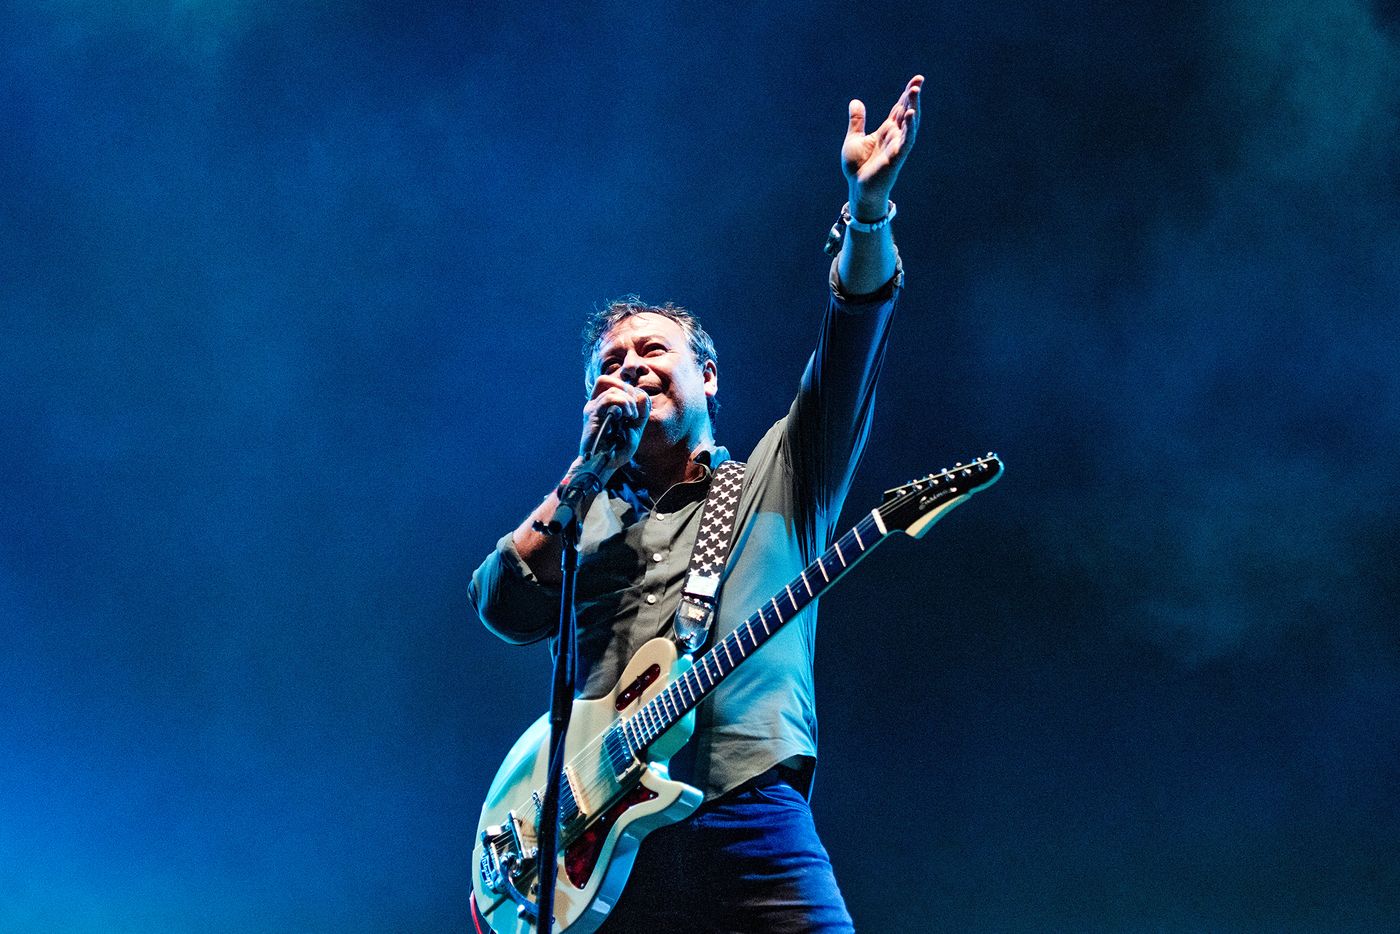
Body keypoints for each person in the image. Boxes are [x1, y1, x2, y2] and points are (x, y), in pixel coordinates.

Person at [469, 74, 923, 933]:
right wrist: (582, 476)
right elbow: (500, 605)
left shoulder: (781, 475)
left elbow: (853, 336)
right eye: (608, 365)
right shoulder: (585, 518)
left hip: (748, 811)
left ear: (707, 377)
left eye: (652, 351)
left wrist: (867, 214)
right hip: (594, 843)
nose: (629, 368)